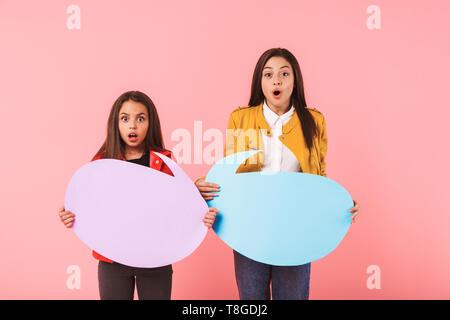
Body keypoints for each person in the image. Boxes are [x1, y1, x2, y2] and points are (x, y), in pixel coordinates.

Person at [195, 48, 360, 300]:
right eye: (268, 74)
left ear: (295, 81)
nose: (277, 80)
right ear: (260, 82)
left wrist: (340, 204)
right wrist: (202, 186)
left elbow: (318, 178)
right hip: (249, 228)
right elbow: (231, 174)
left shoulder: (313, 121)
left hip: (297, 228)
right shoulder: (241, 118)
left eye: (284, 73)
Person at [58, 90, 217, 300]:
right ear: (116, 124)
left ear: (150, 123)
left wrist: (200, 211)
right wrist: (72, 216)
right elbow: (92, 208)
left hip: (156, 258)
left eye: (140, 119)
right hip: (112, 260)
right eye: (125, 119)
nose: (132, 125)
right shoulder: (100, 164)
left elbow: (176, 209)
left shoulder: (165, 162)